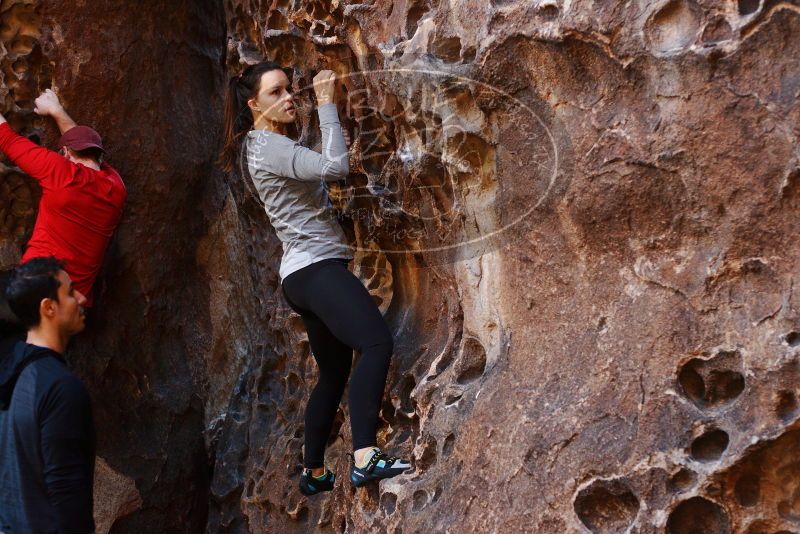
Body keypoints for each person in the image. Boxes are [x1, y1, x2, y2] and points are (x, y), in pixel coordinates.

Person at [220, 62, 410, 495]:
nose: (289, 98)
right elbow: (333, 167)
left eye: (289, 89)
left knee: (333, 371)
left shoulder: (264, 146)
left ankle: (314, 471)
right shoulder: (266, 145)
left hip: (300, 275)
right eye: (275, 93)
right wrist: (326, 104)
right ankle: (365, 456)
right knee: (376, 341)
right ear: (254, 105)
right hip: (315, 267)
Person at [0, 89, 127, 321]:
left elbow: (6, 139)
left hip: (35, 293)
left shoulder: (60, 173)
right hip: (73, 308)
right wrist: (57, 111)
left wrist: (55, 110)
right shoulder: (117, 189)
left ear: (65, 153)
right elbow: (84, 148)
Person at [0, 257, 95, 533]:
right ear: (49, 308)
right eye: (70, 292)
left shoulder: (9, 376)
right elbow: (67, 497)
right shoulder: (60, 388)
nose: (82, 297)